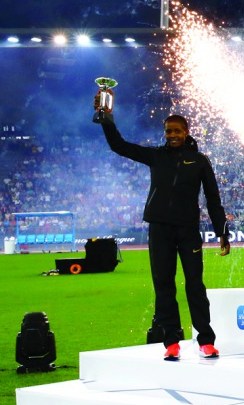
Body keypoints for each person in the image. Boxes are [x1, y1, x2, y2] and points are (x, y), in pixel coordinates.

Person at [97, 110, 230, 362]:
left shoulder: (200, 160)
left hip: (188, 230)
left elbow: (213, 198)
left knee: (195, 285)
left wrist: (221, 230)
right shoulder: (156, 156)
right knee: (164, 286)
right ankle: (171, 342)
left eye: (177, 131)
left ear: (186, 132)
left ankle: (206, 341)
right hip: (159, 229)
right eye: (169, 131)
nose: (172, 135)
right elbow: (119, 146)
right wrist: (106, 119)